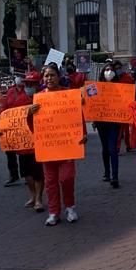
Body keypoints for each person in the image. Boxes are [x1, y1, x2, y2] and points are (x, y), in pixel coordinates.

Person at [28, 64, 87, 226]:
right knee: (50, 181)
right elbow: (33, 125)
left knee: (67, 178)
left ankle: (70, 207)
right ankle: (54, 212)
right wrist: (30, 113)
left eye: (52, 75)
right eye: (46, 76)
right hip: (48, 147)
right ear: (43, 79)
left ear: (58, 77)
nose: (49, 78)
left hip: (67, 146)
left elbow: (77, 116)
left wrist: (83, 133)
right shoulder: (39, 98)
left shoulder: (68, 95)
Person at [0, 76, 44, 212]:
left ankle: (39, 198)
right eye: (27, 84)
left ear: (37, 84)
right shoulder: (19, 98)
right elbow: (7, 115)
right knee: (26, 173)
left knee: (38, 172)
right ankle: (33, 195)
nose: (28, 86)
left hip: (39, 141)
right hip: (22, 143)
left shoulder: (44, 98)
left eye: (31, 84)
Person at [94, 63, 123, 188]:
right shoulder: (96, 87)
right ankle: (107, 172)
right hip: (101, 122)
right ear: (102, 72)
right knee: (105, 148)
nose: (109, 72)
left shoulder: (120, 88)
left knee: (112, 148)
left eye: (111, 70)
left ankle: (115, 176)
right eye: (106, 69)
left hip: (114, 122)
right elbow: (92, 104)